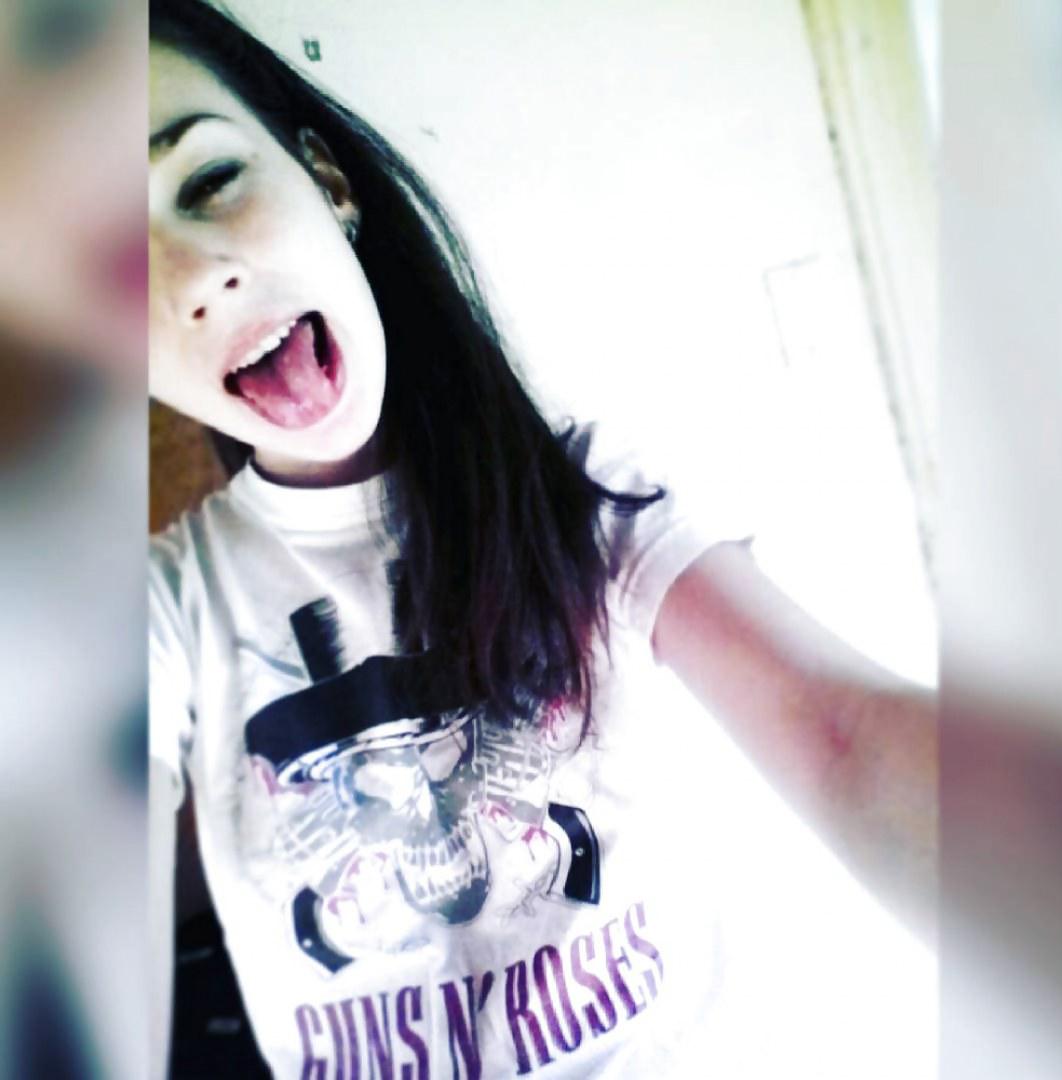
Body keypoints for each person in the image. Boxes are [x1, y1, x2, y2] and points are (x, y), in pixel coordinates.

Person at [149, 0, 937, 1075]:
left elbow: (847, 739)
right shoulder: (159, 614)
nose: (193, 280)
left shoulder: (587, 495)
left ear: (326, 180)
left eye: (208, 180)